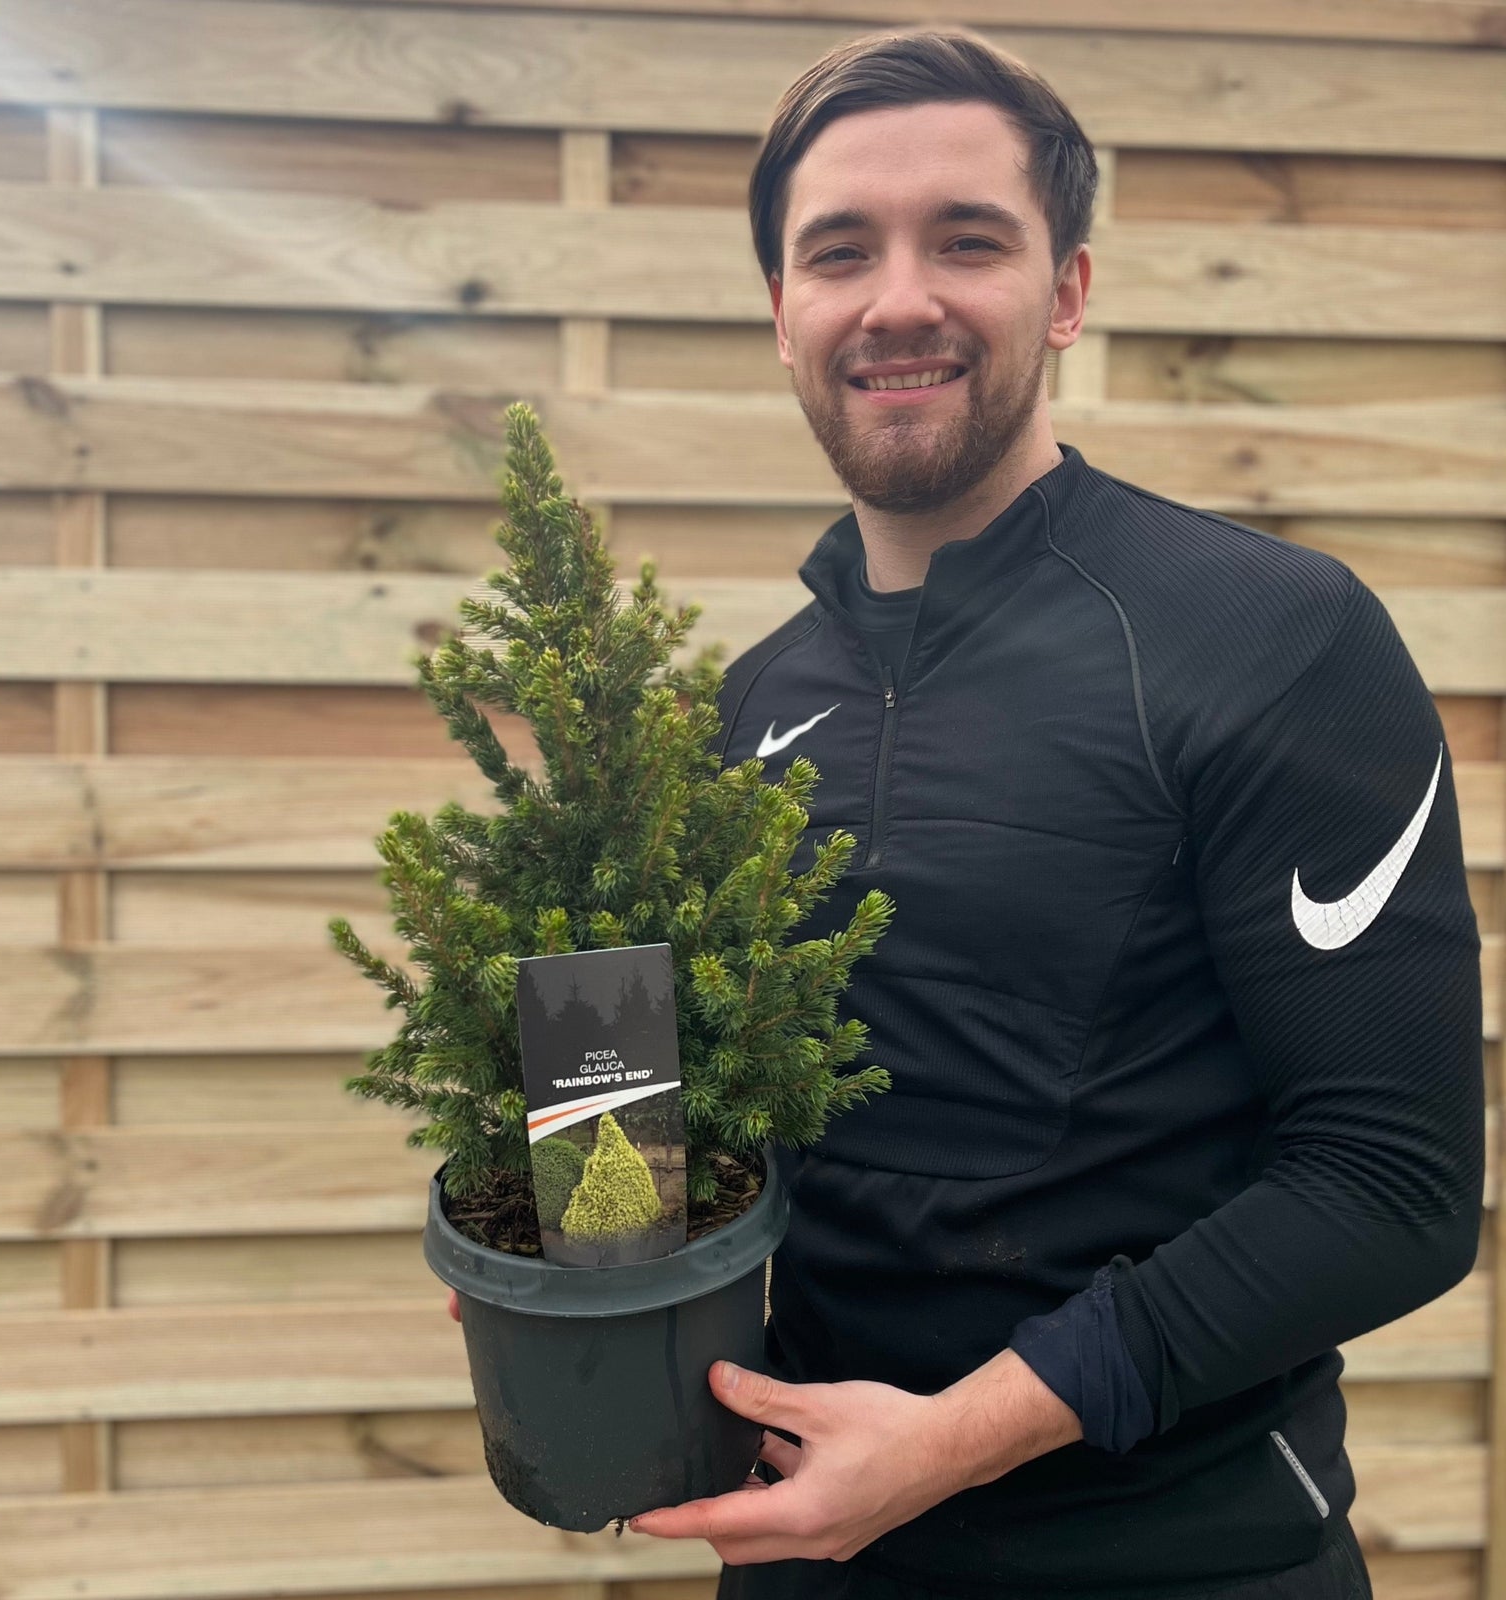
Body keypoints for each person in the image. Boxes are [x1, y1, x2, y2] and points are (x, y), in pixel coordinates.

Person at [608, 26, 1484, 1600]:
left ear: (1067, 289)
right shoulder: (741, 710)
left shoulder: (1271, 637)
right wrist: (578, 1257)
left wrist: (954, 1440)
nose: (899, 299)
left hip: (1186, 1561)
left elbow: (1392, 1186)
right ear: (782, 312)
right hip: (808, 1556)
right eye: (839, 252)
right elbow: (706, 1132)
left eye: (968, 240)